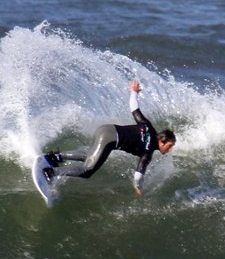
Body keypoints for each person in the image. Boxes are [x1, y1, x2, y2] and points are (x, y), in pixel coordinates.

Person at [42, 79, 176, 196]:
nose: (169, 150)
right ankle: (51, 172)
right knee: (87, 170)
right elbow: (138, 176)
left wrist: (134, 92)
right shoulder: (148, 152)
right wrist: (138, 188)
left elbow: (134, 109)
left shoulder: (148, 126)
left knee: (90, 155)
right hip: (109, 140)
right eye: (169, 146)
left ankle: (55, 156)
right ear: (161, 141)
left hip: (106, 129)